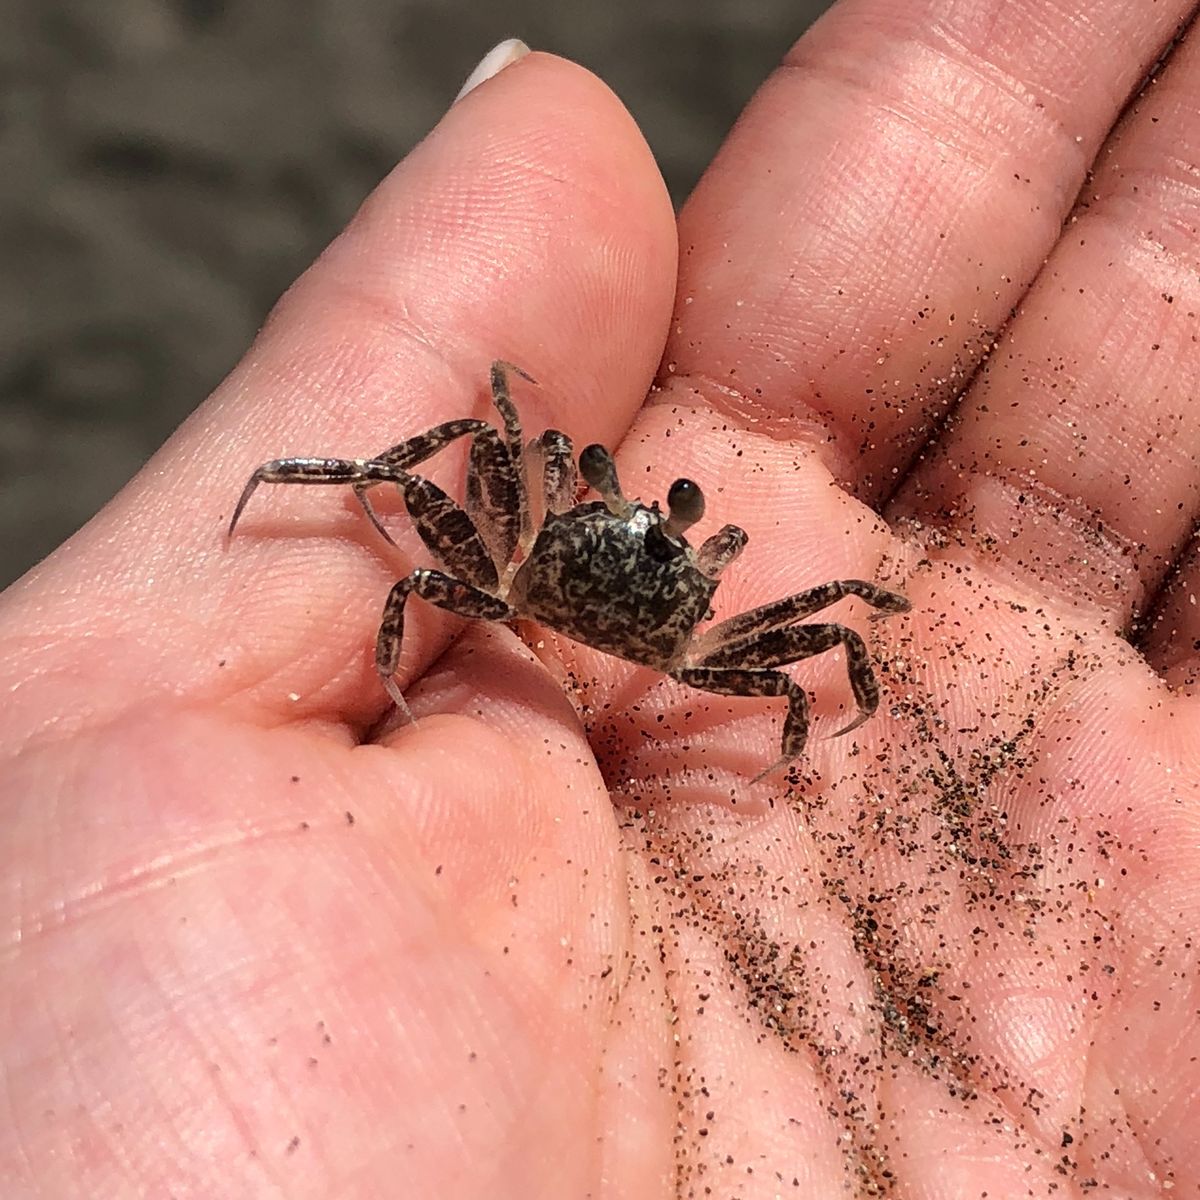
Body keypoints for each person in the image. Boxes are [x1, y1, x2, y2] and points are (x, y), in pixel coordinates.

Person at [3, 10, 1198, 1194]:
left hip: (526, 589)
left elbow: (495, 443)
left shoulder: (535, 542)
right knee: (769, 594)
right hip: (590, 626)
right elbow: (819, 622)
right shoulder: (682, 600)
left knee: (494, 475)